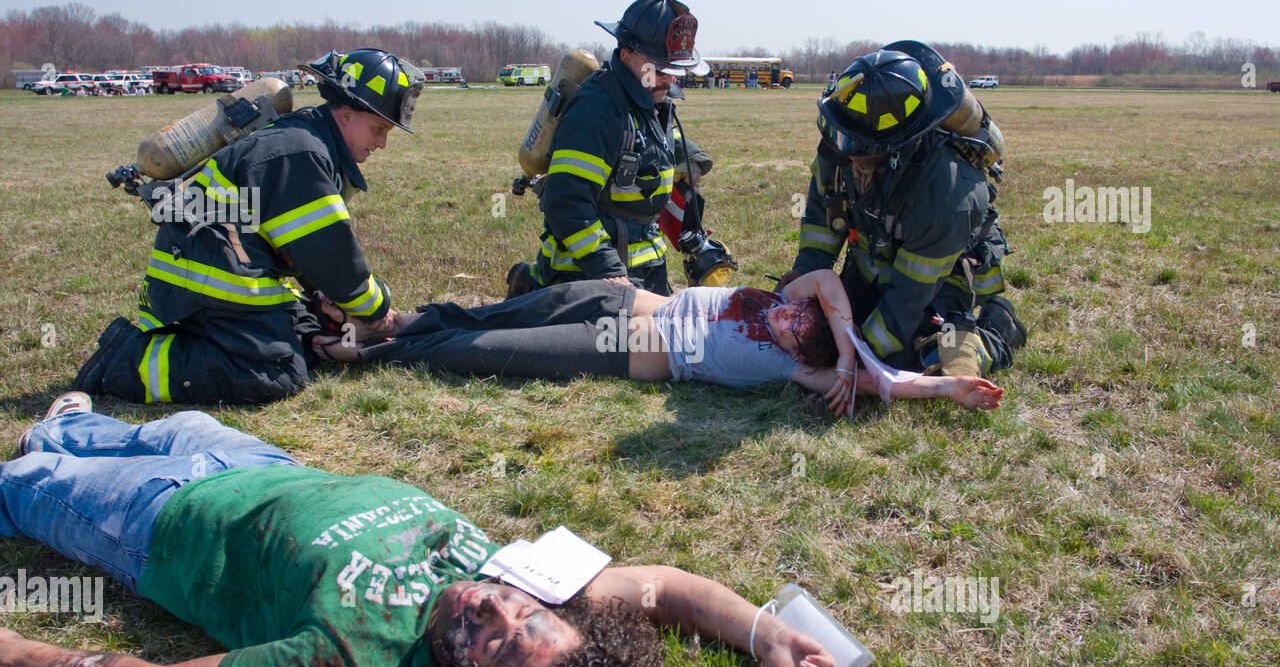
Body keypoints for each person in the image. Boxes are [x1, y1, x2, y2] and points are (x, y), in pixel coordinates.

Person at [0, 395, 837, 667]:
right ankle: (70, 425)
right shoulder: (527, 585)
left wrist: (19, 657)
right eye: (523, 614)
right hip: (258, 459)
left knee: (27, 485)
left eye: (489, 644)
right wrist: (767, 633)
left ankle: (49, 453)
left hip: (157, 522)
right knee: (142, 426)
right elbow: (662, 590)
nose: (490, 606)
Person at [72, 48, 425, 405]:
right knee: (276, 373)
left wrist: (326, 304)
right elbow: (333, 259)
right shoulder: (300, 154)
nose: (381, 142)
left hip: (215, 273)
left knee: (314, 330)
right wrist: (381, 315)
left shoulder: (304, 141)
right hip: (207, 289)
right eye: (378, 128)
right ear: (347, 113)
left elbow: (301, 252)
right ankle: (125, 361)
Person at [319, 271, 1005, 415]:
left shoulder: (794, 370)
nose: (789, 328)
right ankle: (395, 321)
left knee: (490, 351)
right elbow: (827, 280)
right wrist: (848, 342)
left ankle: (367, 353)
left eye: (801, 341)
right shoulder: (795, 303)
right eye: (801, 322)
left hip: (621, 348)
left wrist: (946, 386)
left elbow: (886, 384)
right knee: (498, 311)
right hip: (624, 298)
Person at [776, 41, 1027, 379]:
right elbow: (822, 224)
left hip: (938, 283)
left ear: (894, 148)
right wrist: (801, 293)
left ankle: (997, 325)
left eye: (854, 144)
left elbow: (909, 298)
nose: (841, 148)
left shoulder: (945, 193)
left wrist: (860, 354)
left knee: (917, 362)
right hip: (871, 265)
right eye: (837, 134)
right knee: (820, 332)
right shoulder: (841, 146)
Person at [505, 0, 712, 299]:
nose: (668, 79)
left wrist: (691, 161)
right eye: (659, 68)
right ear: (627, 56)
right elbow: (566, 204)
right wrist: (607, 270)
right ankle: (532, 287)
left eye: (675, 70)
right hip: (582, 276)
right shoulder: (596, 112)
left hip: (645, 270)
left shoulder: (651, 98)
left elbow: (657, 146)